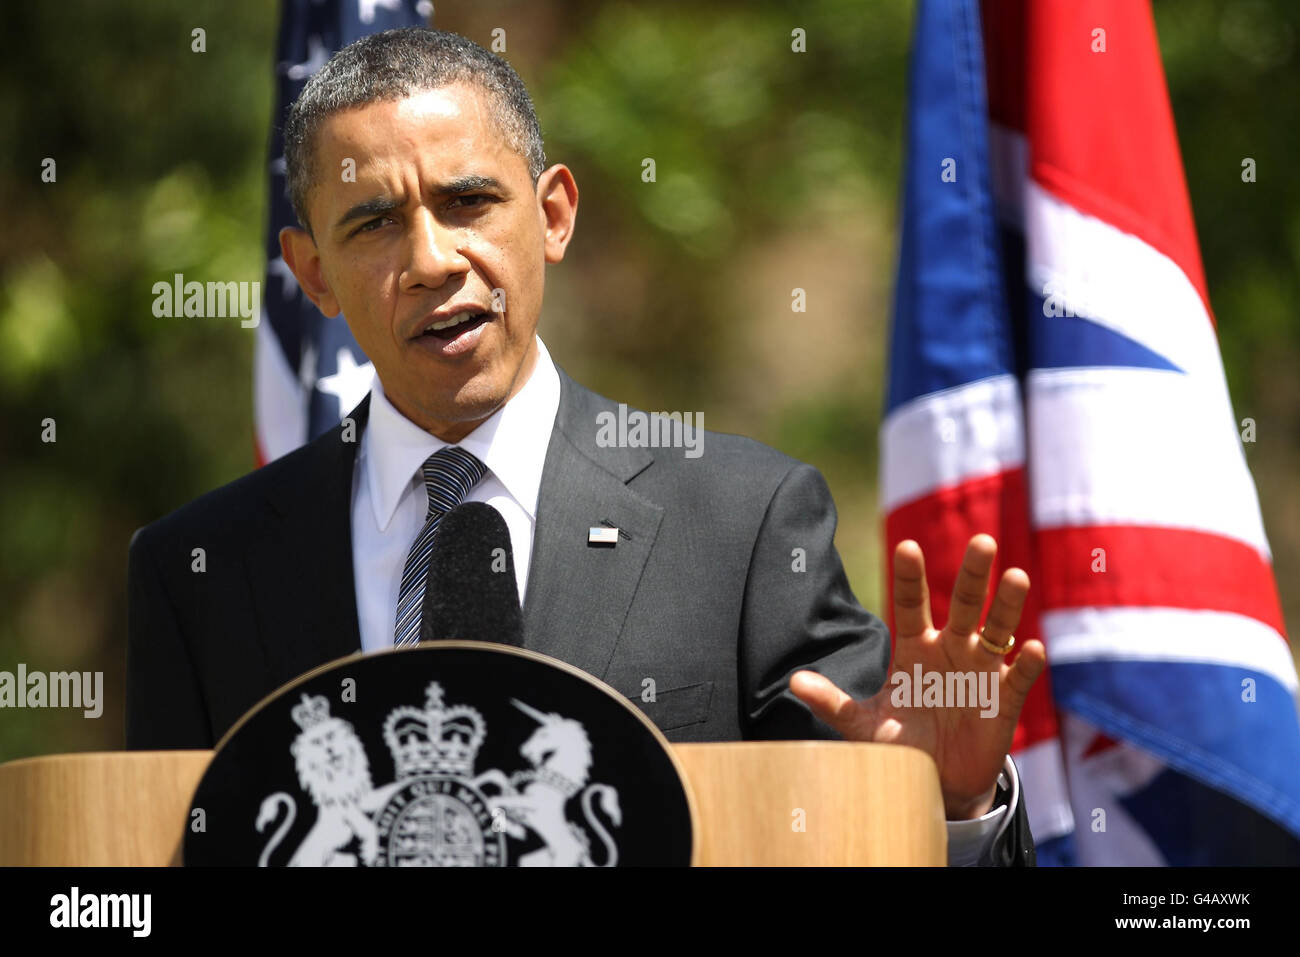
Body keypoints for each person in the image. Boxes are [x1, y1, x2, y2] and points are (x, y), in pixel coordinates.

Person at [126, 27, 1047, 866]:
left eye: (469, 201)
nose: (433, 259)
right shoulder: (202, 569)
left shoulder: (743, 525)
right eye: (373, 223)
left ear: (554, 214)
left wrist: (951, 808)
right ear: (314, 272)